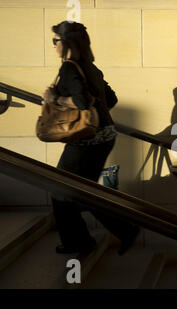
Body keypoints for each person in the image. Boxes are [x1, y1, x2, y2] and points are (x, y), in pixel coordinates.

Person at [43, 21, 139, 255]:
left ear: (66, 43)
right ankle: (110, 233)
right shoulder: (90, 67)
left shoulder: (69, 68)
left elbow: (82, 102)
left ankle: (86, 239)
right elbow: (112, 100)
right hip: (105, 136)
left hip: (86, 140)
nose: (53, 46)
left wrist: (53, 98)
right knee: (82, 190)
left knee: (61, 190)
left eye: (55, 41)